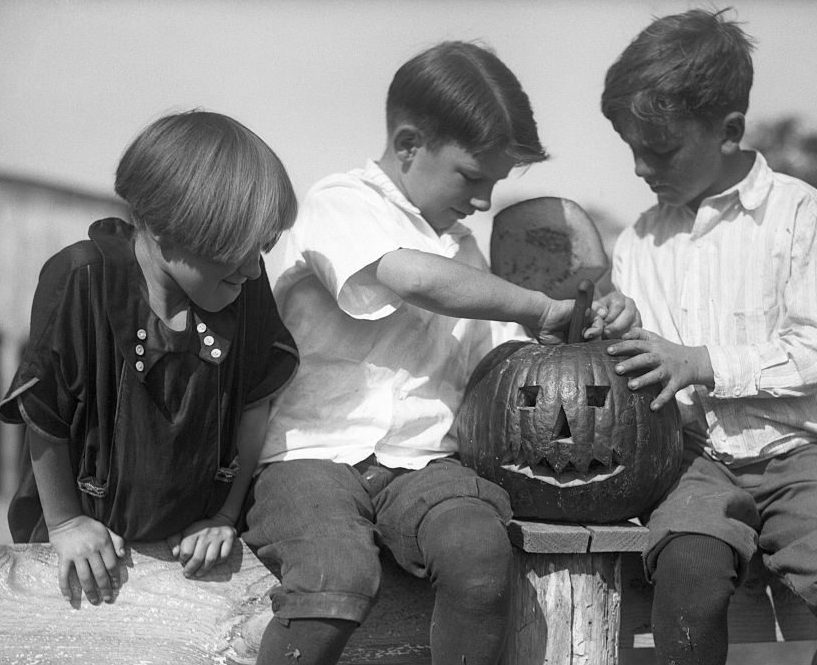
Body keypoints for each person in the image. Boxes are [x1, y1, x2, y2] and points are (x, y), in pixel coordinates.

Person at [246, 41, 637, 665]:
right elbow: (411, 278)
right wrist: (536, 304)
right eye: (472, 176)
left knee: (481, 557)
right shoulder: (339, 203)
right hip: (311, 455)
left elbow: (509, 364)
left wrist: (592, 324)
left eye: (497, 184)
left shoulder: (463, 250)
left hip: (421, 463)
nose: (484, 201)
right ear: (408, 145)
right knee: (335, 578)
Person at [599, 9, 817, 665]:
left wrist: (700, 361)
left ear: (729, 131)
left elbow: (813, 348)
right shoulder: (638, 241)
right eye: (630, 148)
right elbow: (642, 371)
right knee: (687, 578)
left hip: (804, 457)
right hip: (694, 461)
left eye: (657, 149)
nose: (638, 167)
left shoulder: (801, 214)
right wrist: (616, 331)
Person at [1, 110, 299, 607]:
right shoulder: (83, 279)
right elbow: (44, 413)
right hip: (87, 547)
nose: (252, 267)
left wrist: (224, 517)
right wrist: (68, 523)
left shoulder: (246, 290)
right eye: (237, 250)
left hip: (192, 553)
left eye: (263, 247)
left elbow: (254, 404)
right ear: (166, 228)